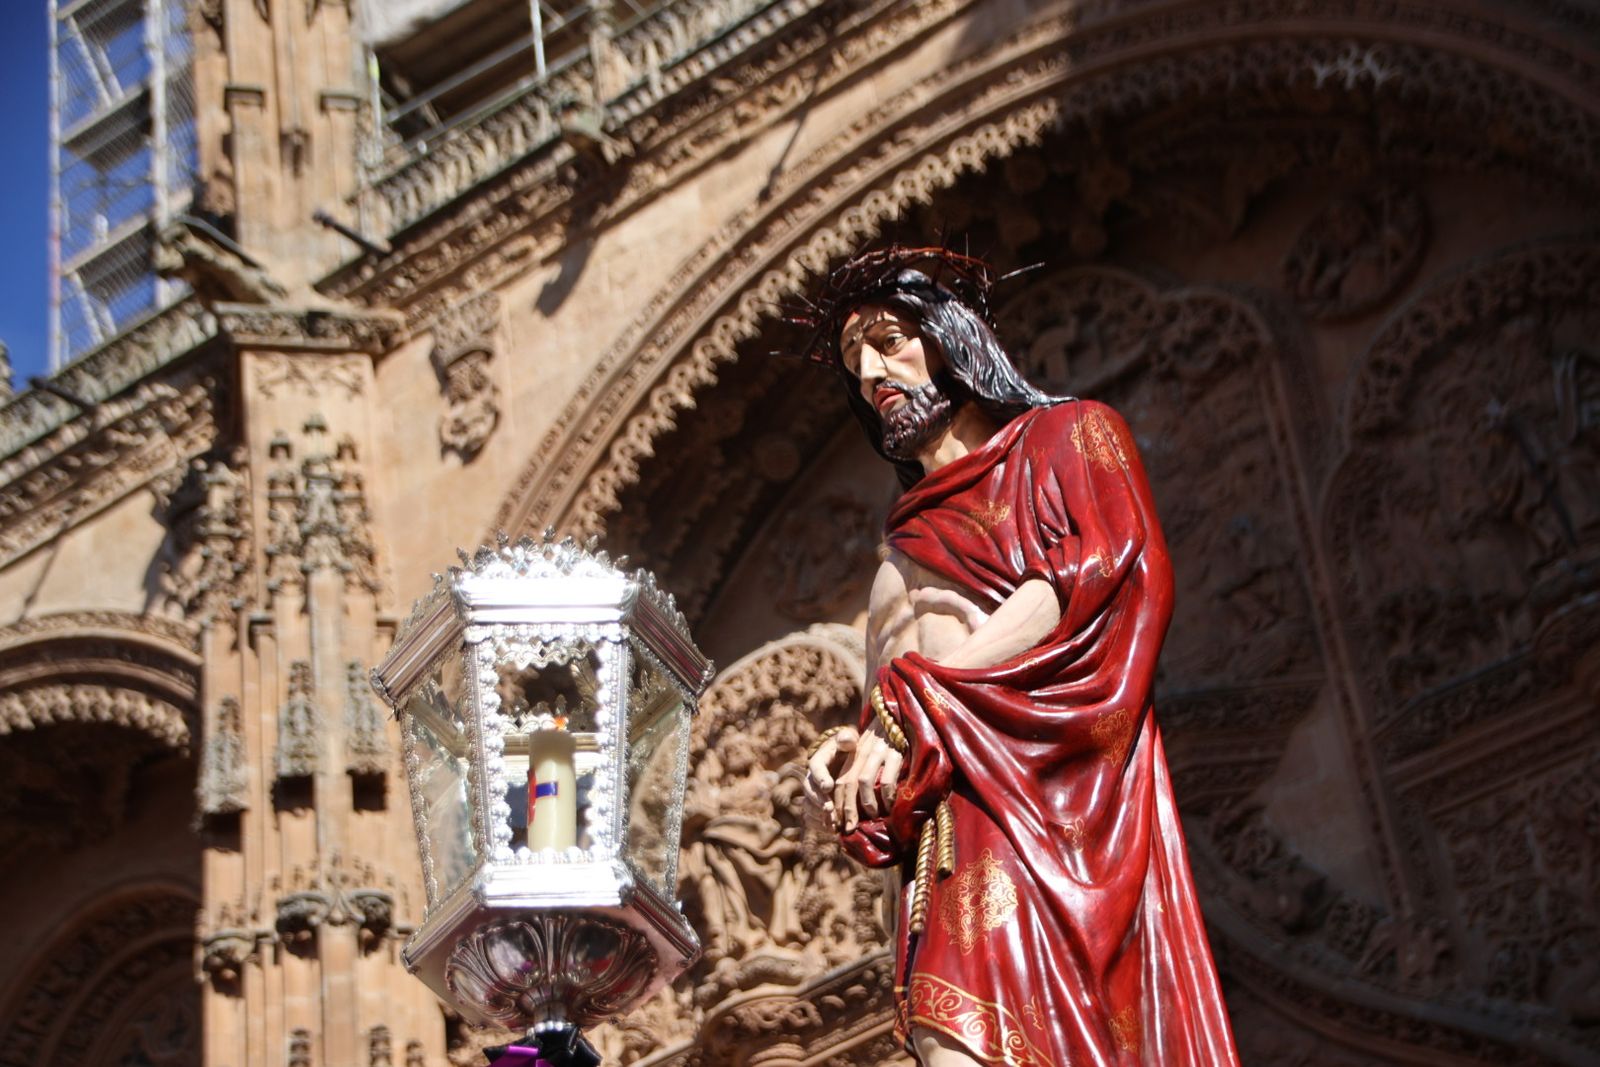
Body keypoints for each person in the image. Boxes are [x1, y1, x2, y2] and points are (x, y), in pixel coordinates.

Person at [798, 247, 1239, 1066]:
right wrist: (847, 752)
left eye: (889, 341)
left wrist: (919, 697)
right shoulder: (898, 549)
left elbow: (1090, 579)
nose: (870, 374)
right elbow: (883, 709)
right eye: (855, 361)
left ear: (949, 337)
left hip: (1037, 804)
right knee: (943, 1039)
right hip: (945, 824)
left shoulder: (1067, 437)